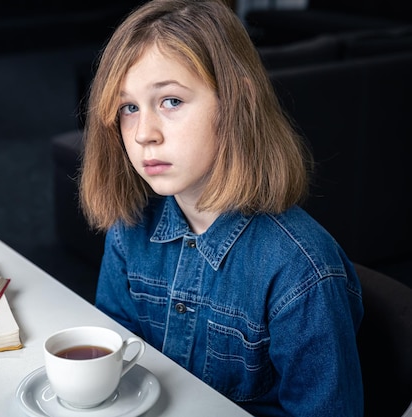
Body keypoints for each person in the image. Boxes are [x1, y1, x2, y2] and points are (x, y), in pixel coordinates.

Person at [78, 0, 364, 415]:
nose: (143, 134)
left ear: (237, 102)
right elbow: (115, 368)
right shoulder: (130, 229)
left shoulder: (302, 271)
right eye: (129, 108)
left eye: (171, 101)